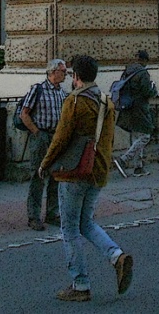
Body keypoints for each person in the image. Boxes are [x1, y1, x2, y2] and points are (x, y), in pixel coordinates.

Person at [39, 54, 133, 302]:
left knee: (69, 228)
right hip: (96, 169)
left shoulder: (75, 101)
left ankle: (80, 284)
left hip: (74, 171)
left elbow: (60, 138)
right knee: (86, 222)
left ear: (75, 76)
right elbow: (109, 139)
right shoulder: (105, 101)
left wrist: (45, 164)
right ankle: (116, 256)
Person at [21, 59, 68, 230]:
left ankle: (52, 212)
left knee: (56, 175)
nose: (65, 74)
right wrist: (36, 132)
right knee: (38, 175)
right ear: (53, 71)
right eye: (63, 71)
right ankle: (33, 216)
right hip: (41, 134)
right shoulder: (38, 89)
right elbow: (24, 114)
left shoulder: (62, 93)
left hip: (56, 136)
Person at [114, 50, 155, 178]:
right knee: (145, 136)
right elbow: (147, 91)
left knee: (136, 136)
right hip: (139, 108)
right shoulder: (143, 73)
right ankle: (124, 159)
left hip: (127, 107)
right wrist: (153, 89)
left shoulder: (127, 71)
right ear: (145, 60)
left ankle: (138, 167)